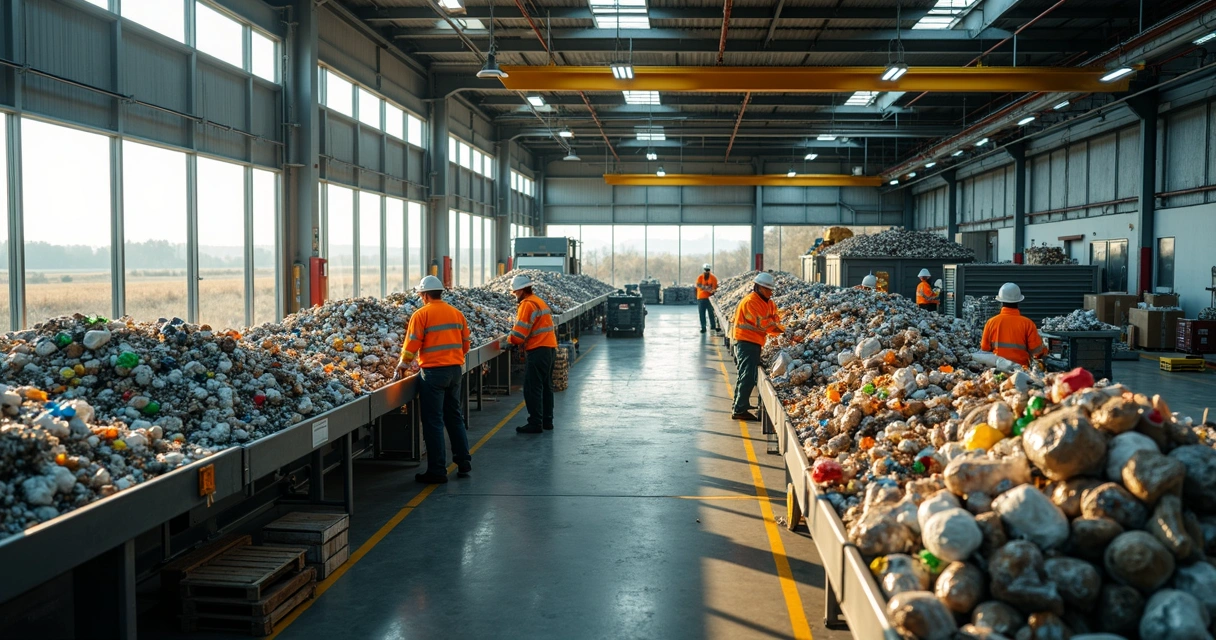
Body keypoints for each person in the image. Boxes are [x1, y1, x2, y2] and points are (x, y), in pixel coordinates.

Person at [395, 275, 472, 484]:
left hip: (433, 374)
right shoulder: (457, 314)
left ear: (425, 295)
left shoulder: (421, 315)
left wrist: (402, 365)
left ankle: (437, 470)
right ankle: (464, 462)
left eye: (420, 294)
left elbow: (411, 344)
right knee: (454, 417)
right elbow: (466, 344)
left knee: (433, 421)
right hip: (455, 371)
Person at [731, 272, 785, 421]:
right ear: (759, 288)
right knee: (747, 375)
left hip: (755, 342)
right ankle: (739, 409)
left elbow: (775, 318)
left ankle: (739, 404)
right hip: (745, 342)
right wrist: (780, 329)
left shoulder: (768, 302)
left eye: (771, 289)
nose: (770, 292)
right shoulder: (750, 302)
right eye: (768, 289)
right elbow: (763, 324)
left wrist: (776, 325)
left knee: (746, 374)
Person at [508, 274, 559, 434]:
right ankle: (547, 421)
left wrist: (508, 339)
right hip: (549, 348)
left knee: (532, 388)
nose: (515, 295)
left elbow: (519, 335)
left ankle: (535, 423)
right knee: (546, 386)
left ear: (522, 290)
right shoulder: (539, 301)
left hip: (538, 350)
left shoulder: (527, 304)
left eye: (515, 292)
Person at [981, 282, 1046, 369]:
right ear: (1018, 301)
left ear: (1001, 301)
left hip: (998, 369)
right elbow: (1036, 351)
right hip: (1021, 369)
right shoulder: (1028, 323)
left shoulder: (991, 322)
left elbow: (984, 349)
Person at [696, 263, 719, 334]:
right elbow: (698, 285)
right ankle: (703, 327)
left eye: (708, 270)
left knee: (711, 313)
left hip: (709, 298)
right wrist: (707, 288)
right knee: (702, 313)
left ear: (710, 270)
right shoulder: (700, 277)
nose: (706, 271)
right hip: (701, 298)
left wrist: (710, 290)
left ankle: (713, 326)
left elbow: (714, 288)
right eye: (705, 270)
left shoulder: (713, 278)